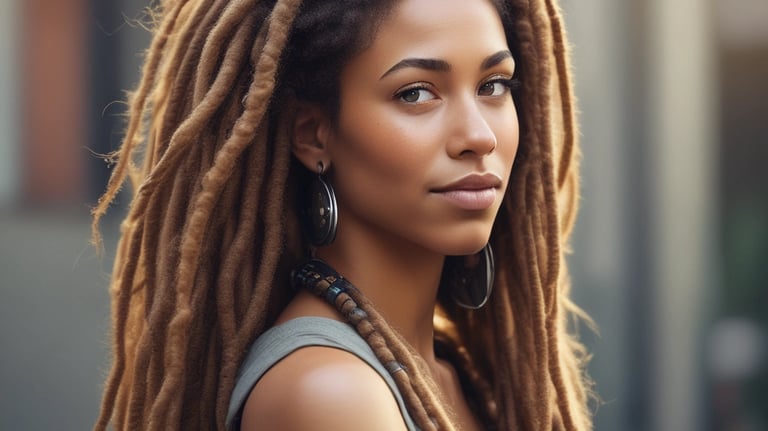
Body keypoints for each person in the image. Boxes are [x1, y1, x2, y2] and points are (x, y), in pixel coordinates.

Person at [92, 0, 594, 429]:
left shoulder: (450, 373)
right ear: (313, 135)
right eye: (415, 93)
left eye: (493, 85)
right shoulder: (330, 393)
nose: (480, 136)